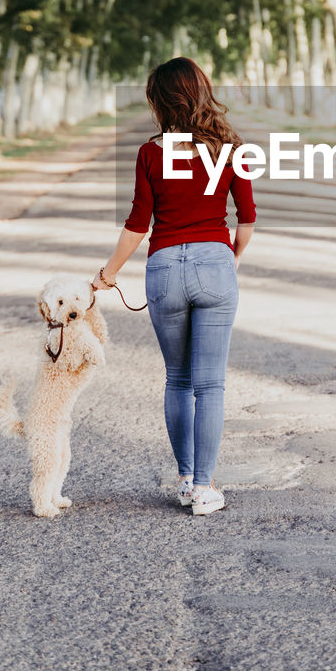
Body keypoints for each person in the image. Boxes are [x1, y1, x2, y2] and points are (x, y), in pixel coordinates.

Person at [91, 58, 256, 516]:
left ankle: (185, 480)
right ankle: (205, 488)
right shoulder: (229, 148)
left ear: (160, 102)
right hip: (215, 263)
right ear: (202, 93)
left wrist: (106, 276)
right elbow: (246, 219)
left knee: (179, 380)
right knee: (211, 385)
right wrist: (229, 259)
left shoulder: (150, 153)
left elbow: (137, 224)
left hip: (164, 268)